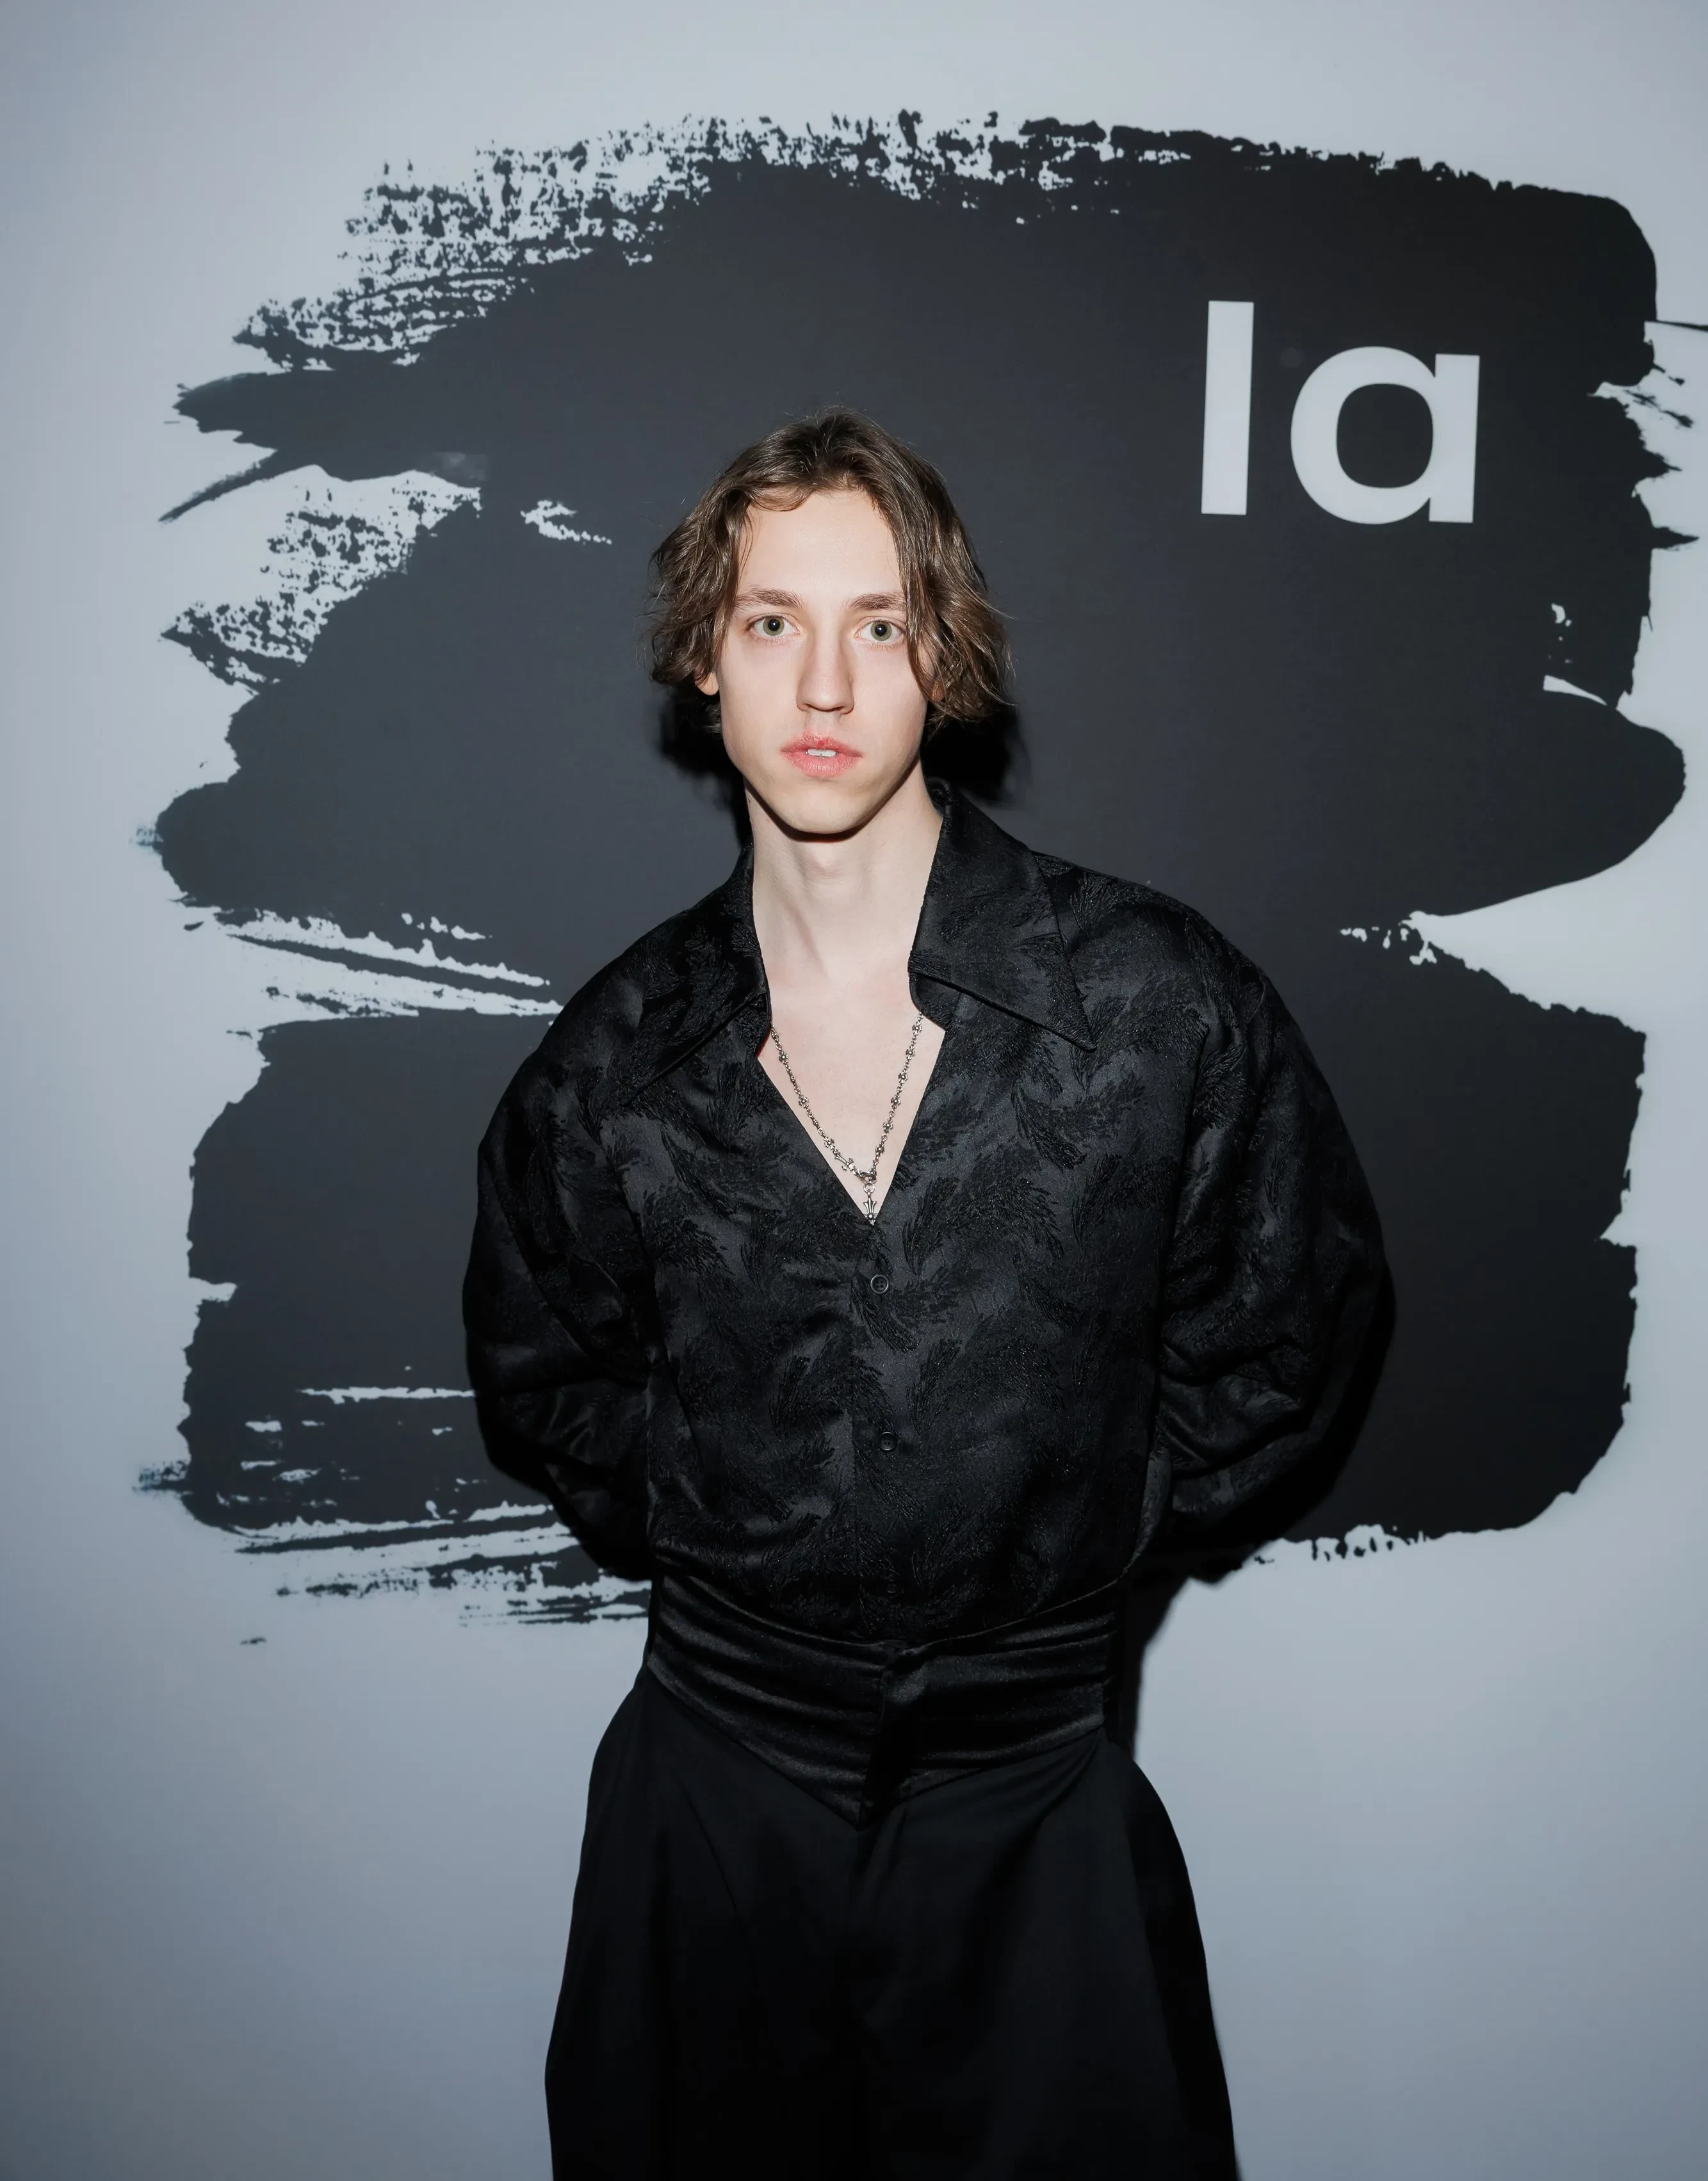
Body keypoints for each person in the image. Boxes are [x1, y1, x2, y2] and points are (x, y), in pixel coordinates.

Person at [463, 409, 1385, 2179]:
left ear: (944, 659)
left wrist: (1078, 1522)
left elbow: (1292, 1330)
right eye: (772, 620)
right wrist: (751, 1528)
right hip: (713, 1810)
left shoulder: (1151, 1003)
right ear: (704, 661)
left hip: (1038, 1803)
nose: (825, 680)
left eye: (879, 623)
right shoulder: (613, 1063)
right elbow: (544, 1374)